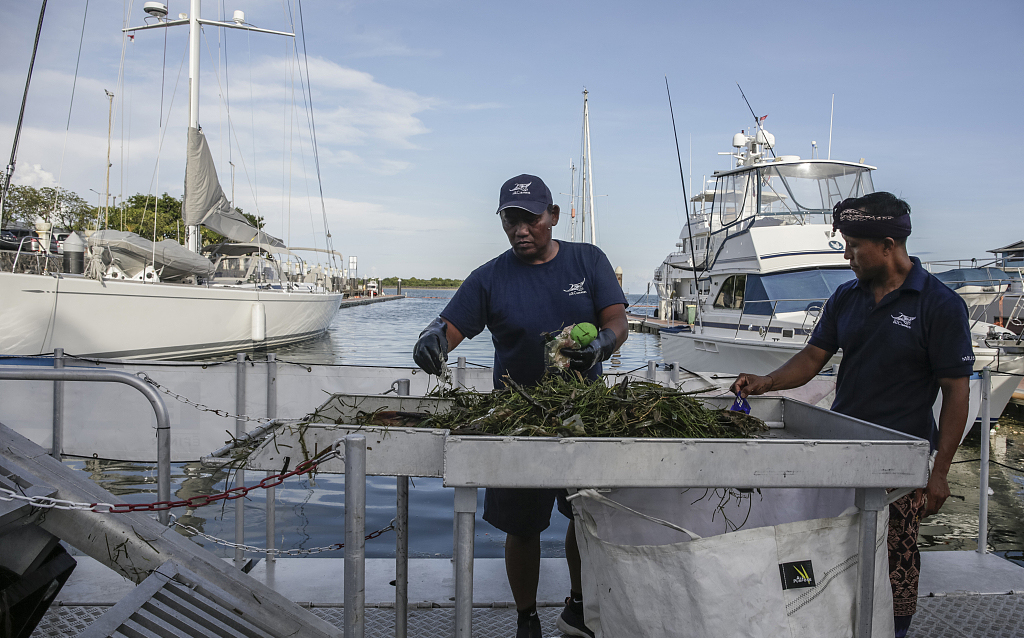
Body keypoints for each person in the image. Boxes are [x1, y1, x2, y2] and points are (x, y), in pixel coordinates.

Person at [730, 192, 972, 638]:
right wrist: (766, 382)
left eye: (854, 246)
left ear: (887, 244)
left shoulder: (939, 304)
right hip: (840, 452)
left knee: (894, 569)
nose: (847, 256)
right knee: (827, 555)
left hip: (900, 466)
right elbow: (812, 357)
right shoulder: (846, 296)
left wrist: (940, 472)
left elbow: (957, 393)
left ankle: (893, 632)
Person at [413, 174, 628, 638]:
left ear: (553, 216)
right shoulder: (490, 277)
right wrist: (432, 339)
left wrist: (604, 343)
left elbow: (617, 318)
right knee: (522, 527)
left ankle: (578, 605)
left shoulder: (587, 260)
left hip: (583, 414)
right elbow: (449, 327)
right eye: (510, 220)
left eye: (530, 218)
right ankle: (526, 617)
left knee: (584, 514)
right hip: (517, 418)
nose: (521, 229)